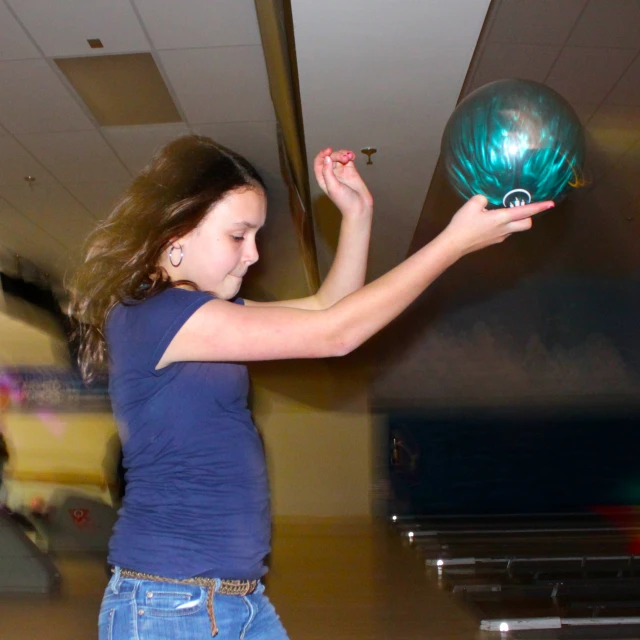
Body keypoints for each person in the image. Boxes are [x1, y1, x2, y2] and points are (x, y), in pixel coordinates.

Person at [69, 134, 553, 640]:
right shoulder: (152, 316)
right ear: (176, 236)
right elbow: (336, 335)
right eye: (239, 235)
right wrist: (451, 245)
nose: (254, 255)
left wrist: (357, 216)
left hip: (237, 600)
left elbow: (329, 307)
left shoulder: (202, 317)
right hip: (171, 603)